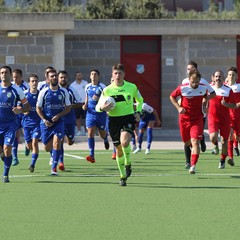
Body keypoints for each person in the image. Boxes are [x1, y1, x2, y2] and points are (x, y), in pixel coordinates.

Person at [96, 63, 144, 186]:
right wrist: (103, 107)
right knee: (118, 150)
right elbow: (97, 107)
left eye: (120, 73)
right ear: (112, 75)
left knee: (125, 142)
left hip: (127, 118)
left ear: (124, 75)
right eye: (115, 73)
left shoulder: (131, 87)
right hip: (113, 121)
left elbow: (140, 100)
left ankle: (128, 163)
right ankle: (122, 176)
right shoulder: (107, 90)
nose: (117, 75)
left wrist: (138, 111)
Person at [170, 69, 209, 174]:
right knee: (187, 143)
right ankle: (196, 144)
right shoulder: (183, 88)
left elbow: (210, 94)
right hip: (184, 119)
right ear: (189, 80)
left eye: (197, 81)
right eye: (193, 82)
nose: (195, 84)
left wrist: (205, 102)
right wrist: (178, 108)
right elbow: (172, 96)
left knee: (195, 142)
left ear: (199, 80)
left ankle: (193, 165)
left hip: (197, 119)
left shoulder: (203, 87)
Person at [36, 69, 71, 175]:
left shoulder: (63, 92)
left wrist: (59, 115)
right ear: (47, 79)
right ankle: (52, 157)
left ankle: (54, 168)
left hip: (59, 122)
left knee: (57, 143)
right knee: (47, 148)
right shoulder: (44, 92)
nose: (54, 78)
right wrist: (44, 120)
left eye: (55, 76)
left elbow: (68, 107)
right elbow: (38, 108)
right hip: (46, 123)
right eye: (51, 76)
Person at [181, 61, 216, 167]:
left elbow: (212, 93)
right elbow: (183, 94)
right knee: (187, 140)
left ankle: (201, 140)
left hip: (200, 113)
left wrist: (204, 99)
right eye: (188, 69)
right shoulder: (184, 81)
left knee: (196, 137)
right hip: (186, 114)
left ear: (196, 69)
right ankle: (187, 161)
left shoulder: (203, 82)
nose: (189, 71)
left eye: (191, 69)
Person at [0, 65, 31, 182]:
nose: (3, 74)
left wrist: (20, 110)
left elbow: (27, 106)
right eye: (1, 72)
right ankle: (6, 157)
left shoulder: (17, 90)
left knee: (7, 148)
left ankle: (5, 175)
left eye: (5, 72)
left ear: (9, 74)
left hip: (10, 125)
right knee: (2, 152)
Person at [208, 70, 236, 169]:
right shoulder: (209, 89)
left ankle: (222, 160)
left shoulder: (228, 90)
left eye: (220, 76)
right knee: (213, 137)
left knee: (224, 142)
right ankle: (215, 145)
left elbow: (234, 105)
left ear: (223, 79)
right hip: (213, 119)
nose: (218, 78)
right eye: (216, 76)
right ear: (213, 78)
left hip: (225, 120)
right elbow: (203, 99)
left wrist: (226, 104)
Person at [82, 69, 109, 163]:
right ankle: (92, 155)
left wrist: (100, 101)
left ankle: (105, 139)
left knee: (102, 133)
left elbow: (106, 99)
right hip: (90, 113)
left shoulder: (102, 87)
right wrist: (85, 105)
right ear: (90, 76)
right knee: (90, 132)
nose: (93, 76)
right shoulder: (87, 87)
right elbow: (87, 98)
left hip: (100, 113)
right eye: (92, 74)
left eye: (95, 74)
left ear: (98, 76)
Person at [58, 70, 82, 170]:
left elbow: (80, 103)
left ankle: (71, 138)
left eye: (64, 77)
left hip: (70, 119)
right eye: (61, 77)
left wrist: (69, 106)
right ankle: (60, 162)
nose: (63, 79)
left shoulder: (72, 90)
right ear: (58, 79)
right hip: (59, 119)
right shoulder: (54, 91)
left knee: (70, 142)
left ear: (67, 78)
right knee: (59, 140)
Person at [21, 74, 41, 172]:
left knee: (35, 143)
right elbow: (19, 106)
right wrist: (24, 111)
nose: (34, 83)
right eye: (32, 81)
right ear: (29, 83)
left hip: (37, 123)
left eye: (36, 81)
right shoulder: (24, 94)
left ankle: (32, 165)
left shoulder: (41, 94)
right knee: (29, 145)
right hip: (26, 123)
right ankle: (26, 145)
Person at [11, 68, 30, 166]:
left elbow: (28, 100)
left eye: (17, 77)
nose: (15, 79)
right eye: (13, 77)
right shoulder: (11, 86)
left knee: (26, 131)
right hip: (16, 114)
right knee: (15, 133)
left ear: (21, 77)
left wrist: (24, 109)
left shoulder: (26, 86)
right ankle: (15, 157)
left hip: (25, 113)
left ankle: (27, 144)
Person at [225, 67, 240, 166]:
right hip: (228, 115)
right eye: (230, 74)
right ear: (227, 76)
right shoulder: (224, 87)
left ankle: (236, 145)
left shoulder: (239, 87)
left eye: (233, 75)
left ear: (237, 76)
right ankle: (231, 158)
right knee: (229, 136)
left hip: (238, 115)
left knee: (237, 137)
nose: (231, 76)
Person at [70, 71, 88, 136]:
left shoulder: (85, 83)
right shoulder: (72, 85)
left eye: (80, 75)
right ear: (75, 76)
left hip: (84, 103)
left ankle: (86, 131)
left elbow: (87, 93)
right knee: (78, 118)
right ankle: (79, 130)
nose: (79, 76)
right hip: (77, 103)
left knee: (86, 117)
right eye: (78, 75)